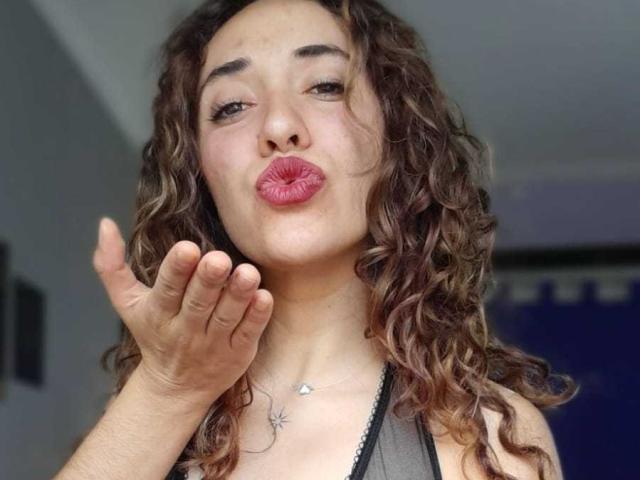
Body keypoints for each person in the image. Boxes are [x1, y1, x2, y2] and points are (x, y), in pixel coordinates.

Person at [53, 0, 578, 479]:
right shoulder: (153, 418)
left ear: (395, 135)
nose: (279, 125)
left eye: (325, 85)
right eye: (231, 106)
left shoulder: (489, 441)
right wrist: (166, 390)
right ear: (198, 172)